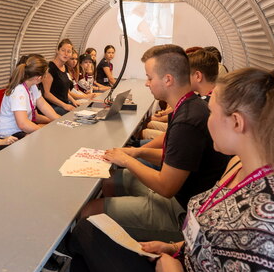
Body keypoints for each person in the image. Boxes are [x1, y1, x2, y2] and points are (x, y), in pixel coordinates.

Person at [68, 63, 274, 272]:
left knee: (86, 233)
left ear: (236, 122)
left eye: (211, 112)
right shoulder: (240, 167)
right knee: (86, 260)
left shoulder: (272, 226)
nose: (206, 119)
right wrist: (173, 247)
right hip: (185, 270)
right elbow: (217, 240)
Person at [80, 45, 229, 242]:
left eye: (150, 78)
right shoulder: (188, 106)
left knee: (89, 212)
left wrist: (127, 160)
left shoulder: (188, 121)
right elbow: (175, 160)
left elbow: (166, 187)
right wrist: (137, 153)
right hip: (179, 196)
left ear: (168, 79)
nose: (147, 84)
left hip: (181, 212)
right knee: (111, 180)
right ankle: (122, 220)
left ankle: (116, 236)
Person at [0, 54, 61, 137]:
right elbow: (23, 124)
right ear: (39, 78)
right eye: (45, 74)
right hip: (7, 134)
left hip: (19, 131)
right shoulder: (18, 91)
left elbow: (43, 105)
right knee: (48, 134)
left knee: (50, 129)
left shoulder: (32, 86)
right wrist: (43, 131)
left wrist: (60, 120)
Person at [43, 39, 78, 114]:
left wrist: (73, 101)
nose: (66, 54)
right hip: (53, 106)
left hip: (64, 104)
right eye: (63, 50)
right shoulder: (50, 68)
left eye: (69, 51)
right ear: (57, 51)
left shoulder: (64, 67)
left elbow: (63, 92)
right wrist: (64, 105)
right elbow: (46, 94)